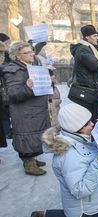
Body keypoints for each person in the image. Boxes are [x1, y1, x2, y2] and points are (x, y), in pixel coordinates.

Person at [24, 103, 98, 217]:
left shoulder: (80, 139)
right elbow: (79, 190)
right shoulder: (69, 156)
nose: (92, 124)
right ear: (75, 129)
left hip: (88, 203)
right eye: (87, 124)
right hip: (84, 205)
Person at [2, 41, 51, 176]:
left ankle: (33, 159)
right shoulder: (13, 70)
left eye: (31, 51)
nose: (32, 54)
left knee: (35, 136)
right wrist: (27, 88)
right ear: (17, 55)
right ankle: (28, 163)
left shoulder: (30, 66)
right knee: (26, 137)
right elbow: (13, 94)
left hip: (34, 109)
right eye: (27, 52)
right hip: (24, 112)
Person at [68, 24, 98, 122]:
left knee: (95, 119)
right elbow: (95, 65)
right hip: (89, 92)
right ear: (87, 37)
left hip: (93, 91)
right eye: (95, 36)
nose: (97, 38)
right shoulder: (83, 49)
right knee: (92, 120)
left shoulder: (89, 48)